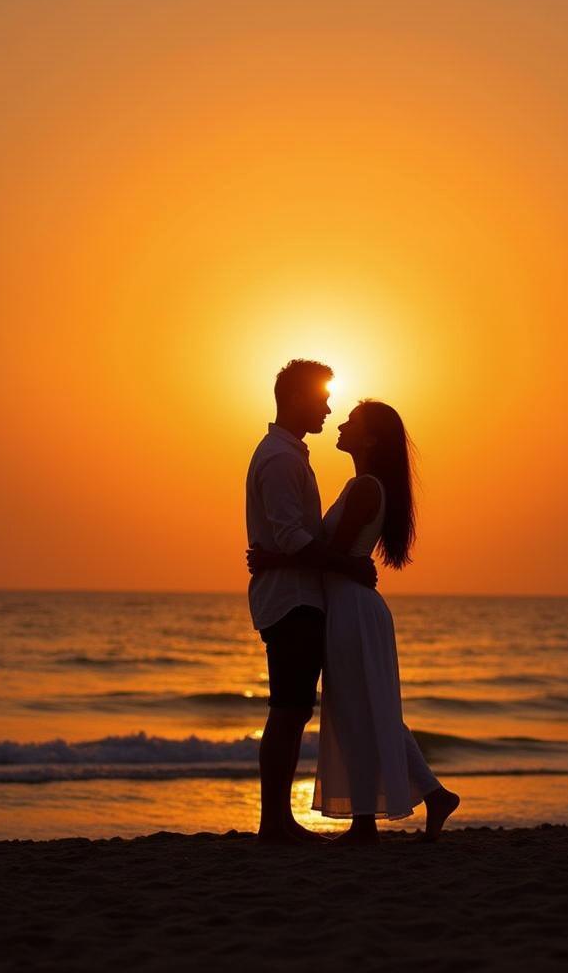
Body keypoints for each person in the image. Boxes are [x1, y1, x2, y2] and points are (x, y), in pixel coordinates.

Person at [249, 399, 460, 844]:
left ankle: (367, 821)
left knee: (357, 709)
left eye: (351, 421)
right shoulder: (360, 484)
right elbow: (336, 558)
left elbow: (336, 559)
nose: (340, 423)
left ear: (370, 438)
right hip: (346, 604)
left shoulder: (365, 487)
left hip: (350, 607)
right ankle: (425, 798)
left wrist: (272, 558)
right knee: (366, 705)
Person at [245, 359, 377, 844]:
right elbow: (291, 535)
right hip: (291, 600)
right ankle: (273, 823)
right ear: (297, 398)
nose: (328, 408)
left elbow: (287, 541)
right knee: (288, 709)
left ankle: (277, 821)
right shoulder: (280, 459)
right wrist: (348, 567)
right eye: (322, 398)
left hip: (297, 593)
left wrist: (273, 557)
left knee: (293, 709)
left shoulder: (290, 454)